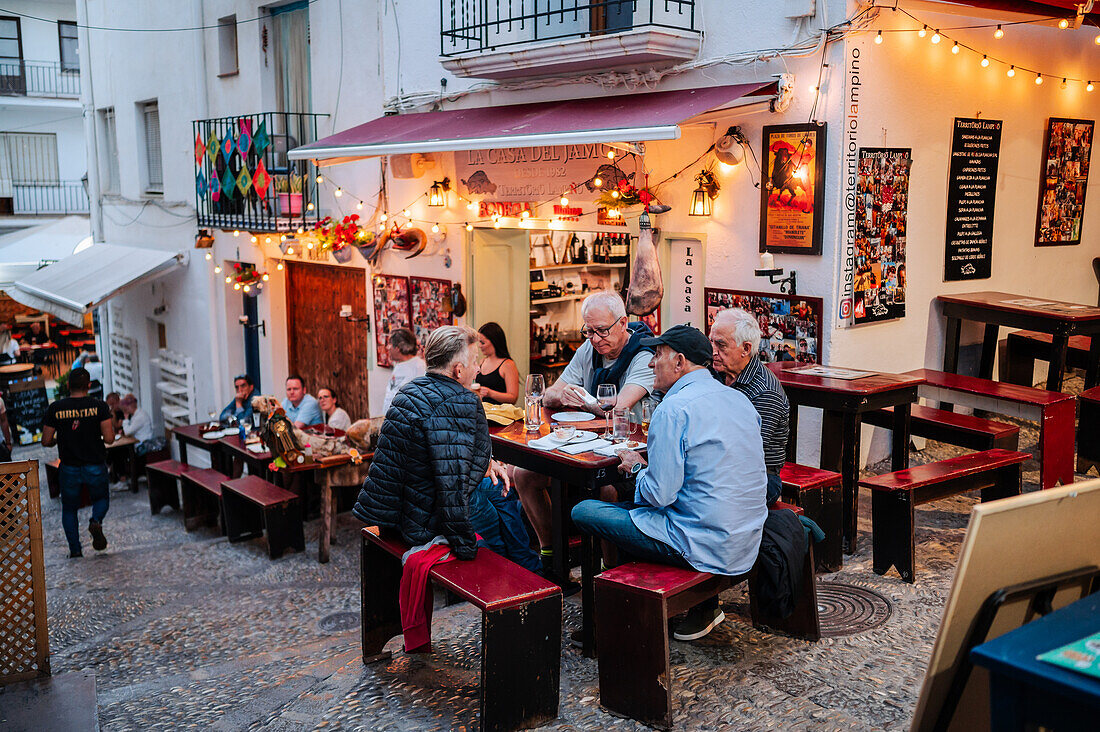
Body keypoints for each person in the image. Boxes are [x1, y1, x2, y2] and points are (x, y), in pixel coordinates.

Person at [571, 325, 768, 641]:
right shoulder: (738, 399)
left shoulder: (673, 408)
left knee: (585, 510)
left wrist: (637, 470)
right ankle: (650, 606)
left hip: (703, 544)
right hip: (746, 538)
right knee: (630, 508)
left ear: (679, 362)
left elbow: (658, 497)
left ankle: (610, 621)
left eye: (657, 355)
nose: (651, 364)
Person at [353, 325, 540, 573]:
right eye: (474, 362)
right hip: (424, 515)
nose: (478, 368)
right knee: (497, 528)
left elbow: (441, 455)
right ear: (458, 369)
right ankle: (518, 578)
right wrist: (463, 544)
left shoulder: (409, 391)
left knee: (501, 491)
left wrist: (486, 463)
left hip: (398, 508)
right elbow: (453, 486)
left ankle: (528, 564)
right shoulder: (462, 400)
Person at [513, 291, 654, 583]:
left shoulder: (644, 355)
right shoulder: (588, 350)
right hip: (585, 448)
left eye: (602, 330)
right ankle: (553, 558)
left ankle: (609, 575)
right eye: (588, 331)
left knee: (605, 490)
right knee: (523, 473)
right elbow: (550, 392)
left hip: (630, 456)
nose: (595, 339)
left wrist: (587, 403)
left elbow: (619, 406)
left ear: (623, 323)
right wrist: (557, 395)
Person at [709, 308, 790, 505]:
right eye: (711, 341)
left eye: (720, 344)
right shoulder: (715, 372)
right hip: (717, 466)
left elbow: (744, 453)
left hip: (758, 478)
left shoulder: (764, 391)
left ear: (745, 348)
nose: (713, 351)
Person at [42, 367, 115, 557]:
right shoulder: (99, 406)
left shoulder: (55, 408)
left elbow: (46, 440)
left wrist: (60, 440)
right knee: (101, 499)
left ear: (68, 385)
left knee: (69, 509)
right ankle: (95, 521)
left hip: (69, 466)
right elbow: (109, 439)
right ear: (89, 385)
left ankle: (75, 550)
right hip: (95, 464)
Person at [381, 328, 425, 415]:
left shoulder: (420, 367)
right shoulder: (399, 365)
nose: (387, 347)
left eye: (389, 344)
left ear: (397, 348)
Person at [475, 322, 519, 405]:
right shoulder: (482, 361)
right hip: (484, 412)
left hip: (500, 414)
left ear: (494, 342)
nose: (479, 346)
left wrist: (490, 393)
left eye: (483, 343)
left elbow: (513, 398)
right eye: (479, 342)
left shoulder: (508, 364)